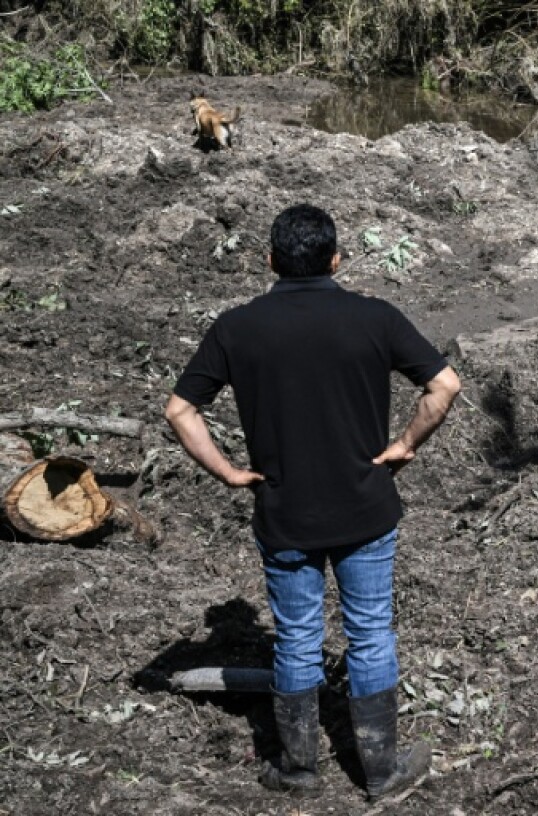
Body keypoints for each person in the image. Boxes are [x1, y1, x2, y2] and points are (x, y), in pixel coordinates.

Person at [164, 204, 461, 799]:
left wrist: (227, 471)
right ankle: (381, 772)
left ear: (270, 260)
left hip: (285, 515)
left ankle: (299, 770)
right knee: (371, 634)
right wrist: (402, 445)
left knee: (297, 637)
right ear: (336, 259)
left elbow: (179, 409)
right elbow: (444, 385)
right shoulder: (373, 317)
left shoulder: (237, 327)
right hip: (365, 510)